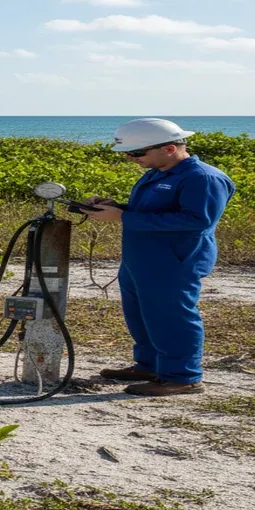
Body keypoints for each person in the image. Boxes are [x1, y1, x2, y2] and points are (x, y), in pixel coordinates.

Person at [84, 118, 235, 396]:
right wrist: (116, 207)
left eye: (138, 152)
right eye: (128, 153)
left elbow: (196, 220)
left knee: (171, 317)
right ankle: (150, 365)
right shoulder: (158, 171)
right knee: (141, 314)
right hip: (140, 258)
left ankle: (182, 376)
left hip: (174, 260)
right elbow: (154, 210)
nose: (132, 158)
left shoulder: (203, 178)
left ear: (168, 148)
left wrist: (123, 217)